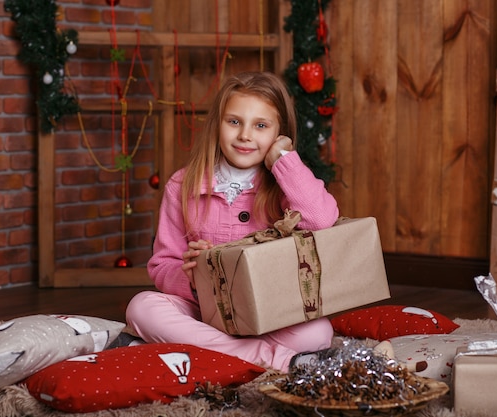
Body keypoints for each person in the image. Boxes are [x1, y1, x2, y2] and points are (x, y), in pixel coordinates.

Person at [125, 71, 339, 372]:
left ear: (280, 133)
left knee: (317, 334)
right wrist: (192, 276)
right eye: (234, 121)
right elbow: (162, 264)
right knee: (142, 308)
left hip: (269, 314)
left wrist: (284, 159)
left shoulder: (284, 185)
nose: (245, 136)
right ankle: (274, 360)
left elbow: (321, 219)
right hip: (202, 311)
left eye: (261, 126)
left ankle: (211, 350)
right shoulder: (182, 184)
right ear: (218, 124)